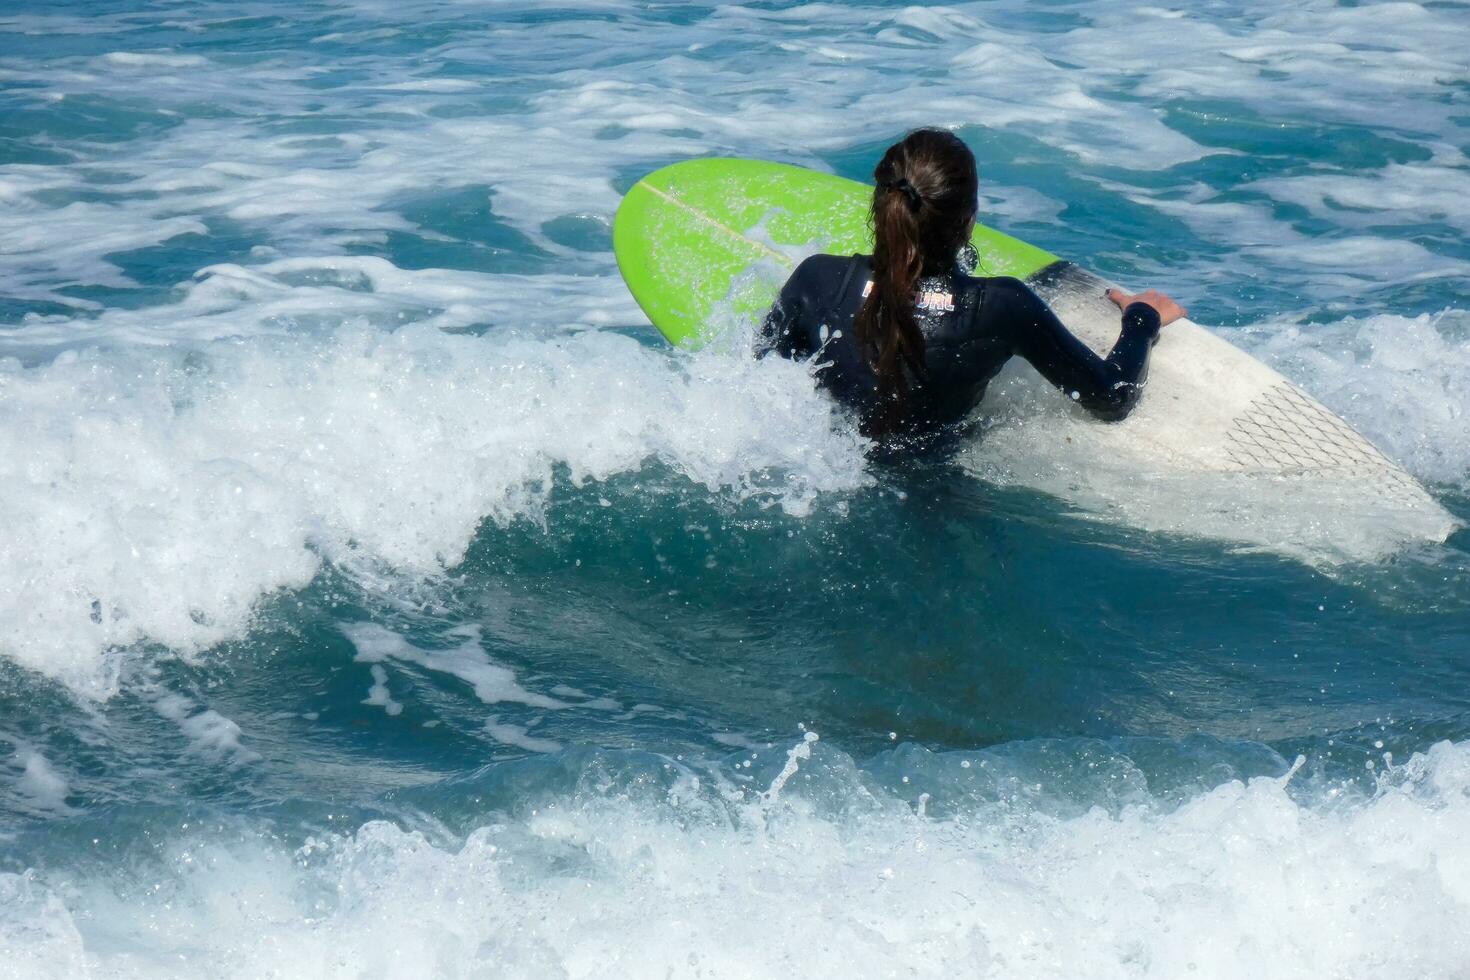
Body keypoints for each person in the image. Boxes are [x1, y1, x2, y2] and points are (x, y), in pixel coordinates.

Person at [759, 128, 1185, 449]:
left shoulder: (817, 279)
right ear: (968, 220)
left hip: (828, 467)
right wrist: (1142, 319)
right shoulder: (999, 306)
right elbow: (1111, 398)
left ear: (881, 205)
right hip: (935, 486)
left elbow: (764, 378)